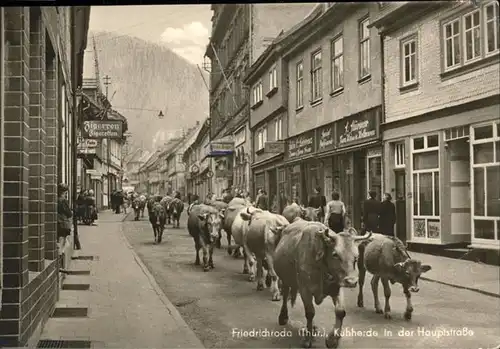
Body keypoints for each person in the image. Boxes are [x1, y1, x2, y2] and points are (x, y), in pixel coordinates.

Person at [57, 183, 73, 261]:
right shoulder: (63, 201)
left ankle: (60, 256)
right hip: (63, 223)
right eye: (65, 193)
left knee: (62, 241)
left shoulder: (56, 200)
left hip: (58, 222)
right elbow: (68, 213)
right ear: (62, 192)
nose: (66, 195)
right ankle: (60, 257)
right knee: (62, 241)